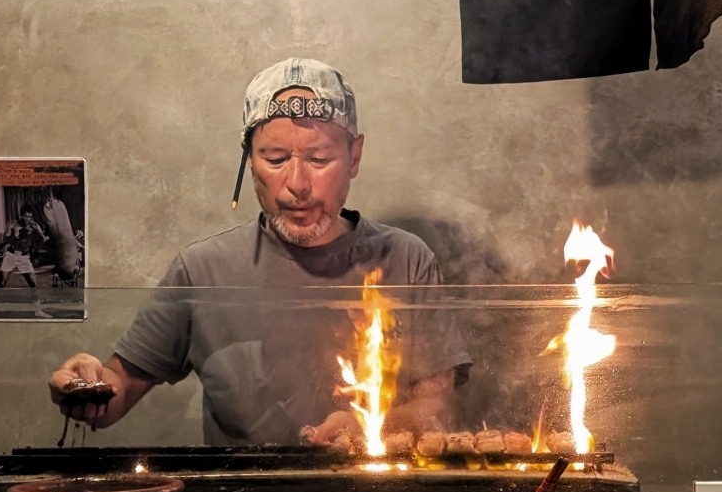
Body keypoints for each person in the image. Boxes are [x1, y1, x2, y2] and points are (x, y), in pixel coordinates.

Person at [49, 58, 471, 445]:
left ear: (355, 156)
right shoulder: (203, 270)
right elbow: (117, 389)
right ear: (249, 160)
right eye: (274, 158)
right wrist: (87, 383)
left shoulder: (405, 260)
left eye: (319, 159)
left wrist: (365, 425)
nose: (297, 183)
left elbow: (438, 409)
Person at [0, 205, 49, 288]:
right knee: (1, 283)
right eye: (26, 216)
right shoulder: (13, 224)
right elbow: (6, 238)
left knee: (33, 284)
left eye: (30, 217)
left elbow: (43, 238)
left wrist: (46, 238)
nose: (28, 219)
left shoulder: (34, 226)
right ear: (21, 215)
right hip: (10, 255)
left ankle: (35, 301)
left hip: (24, 257)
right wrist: (14, 235)